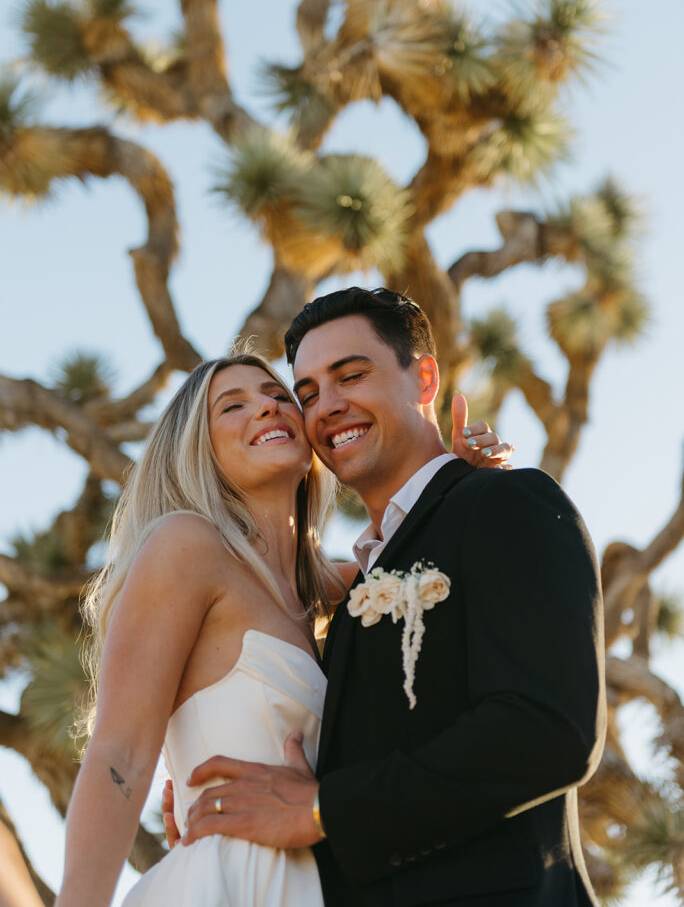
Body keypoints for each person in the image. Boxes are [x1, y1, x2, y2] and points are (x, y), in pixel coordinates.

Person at [176, 287, 606, 907]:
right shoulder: (348, 595)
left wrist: (324, 807)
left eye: (351, 375)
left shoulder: (504, 503)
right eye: (309, 394)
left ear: (424, 377)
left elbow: (547, 730)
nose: (328, 406)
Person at [55, 346, 510, 907]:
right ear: (198, 448)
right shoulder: (186, 547)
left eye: (278, 396)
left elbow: (430, 557)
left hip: (331, 882)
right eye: (233, 406)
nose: (267, 409)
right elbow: (120, 752)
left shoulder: (340, 590)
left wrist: (461, 484)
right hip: (231, 883)